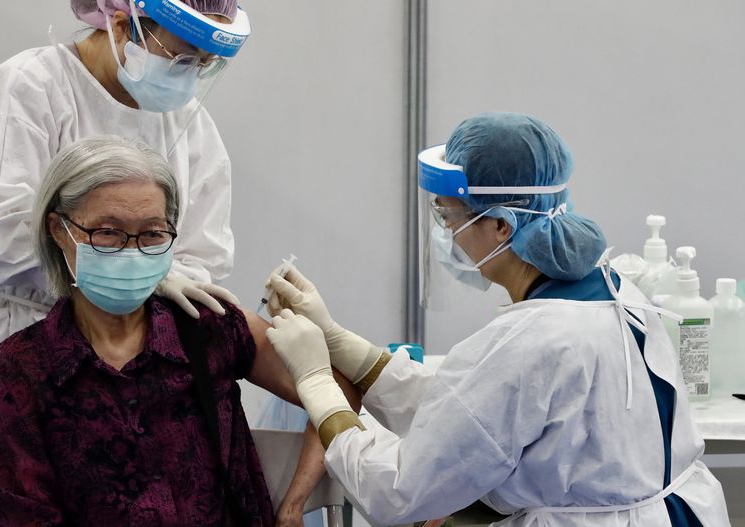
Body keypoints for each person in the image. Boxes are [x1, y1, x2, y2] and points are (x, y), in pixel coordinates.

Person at [0, 1, 280, 525]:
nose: (189, 78)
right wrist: (110, 273)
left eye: (203, 65)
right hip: (12, 330)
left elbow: (201, 257)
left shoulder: (191, 130)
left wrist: (155, 280)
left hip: (128, 365)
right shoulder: (31, 87)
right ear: (119, 23)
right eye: (180, 58)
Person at [263, 113, 731, 526]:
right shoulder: (612, 289)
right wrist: (341, 342)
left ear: (502, 226)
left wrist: (317, 383)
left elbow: (398, 489)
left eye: (450, 217)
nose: (447, 231)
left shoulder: (535, 340)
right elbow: (474, 409)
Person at [0, 135, 335, 526]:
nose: (131, 253)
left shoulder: (207, 328)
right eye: (107, 232)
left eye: (152, 234)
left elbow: (335, 391)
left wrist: (293, 506)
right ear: (59, 230)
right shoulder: (18, 372)